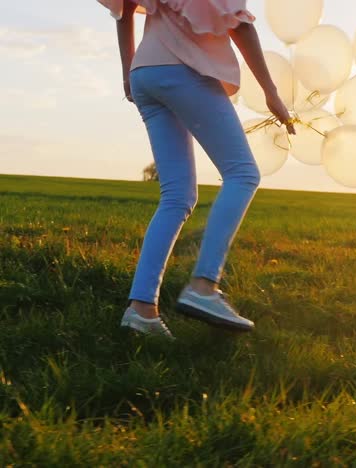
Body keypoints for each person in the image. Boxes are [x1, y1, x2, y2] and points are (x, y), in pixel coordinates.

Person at [98, 0, 295, 339]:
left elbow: (124, 8)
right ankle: (204, 286)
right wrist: (271, 92)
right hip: (183, 70)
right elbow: (240, 25)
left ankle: (141, 310)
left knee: (176, 196)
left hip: (145, 74)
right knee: (243, 173)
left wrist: (128, 69)